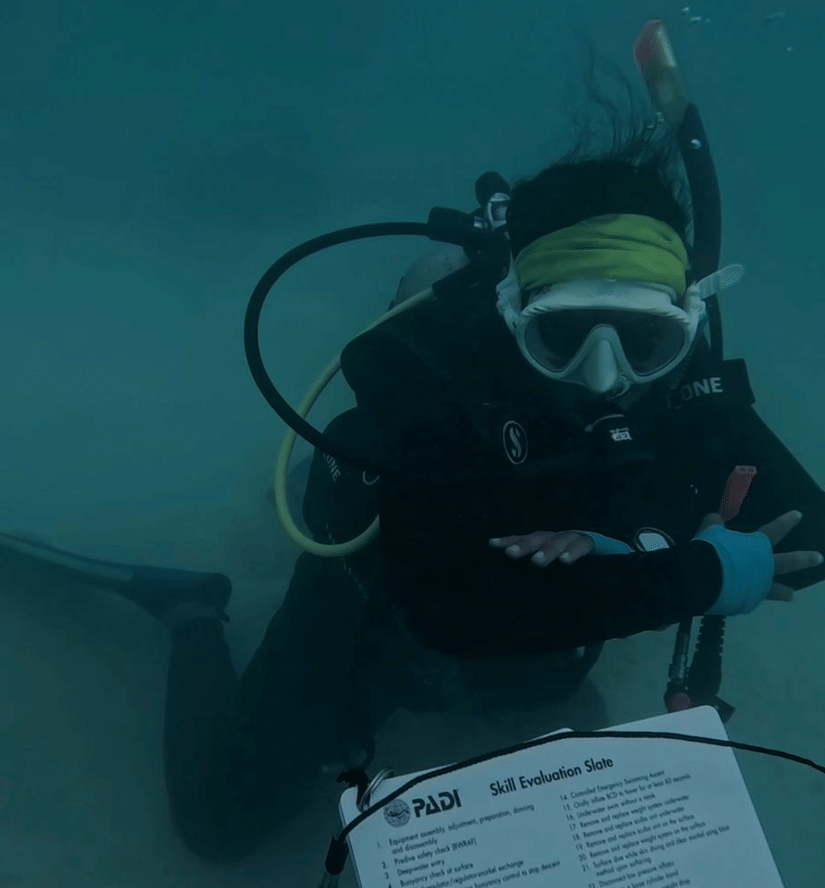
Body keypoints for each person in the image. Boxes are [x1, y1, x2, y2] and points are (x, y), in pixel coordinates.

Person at [4, 70, 825, 868]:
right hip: (376, 596)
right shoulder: (427, 379)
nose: (604, 374)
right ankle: (191, 612)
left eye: (641, 341)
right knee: (216, 826)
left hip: (525, 619)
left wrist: (631, 545)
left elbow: (813, 535)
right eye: (563, 335)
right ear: (511, 316)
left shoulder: (681, 380)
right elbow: (452, 609)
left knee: (535, 695)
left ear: (681, 323)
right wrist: (691, 572)